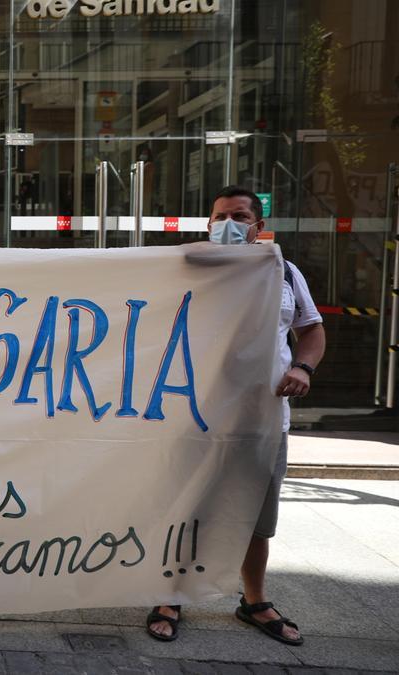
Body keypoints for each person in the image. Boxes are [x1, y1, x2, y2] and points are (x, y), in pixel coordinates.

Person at [146, 186, 325, 646]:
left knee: (257, 520)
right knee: (187, 510)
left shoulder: (285, 272)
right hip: (195, 417)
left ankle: (254, 601)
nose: (229, 223)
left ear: (257, 225)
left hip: (263, 420)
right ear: (208, 224)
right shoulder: (188, 269)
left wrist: (303, 367)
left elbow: (311, 332)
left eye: (239, 215)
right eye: (220, 216)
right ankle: (170, 595)